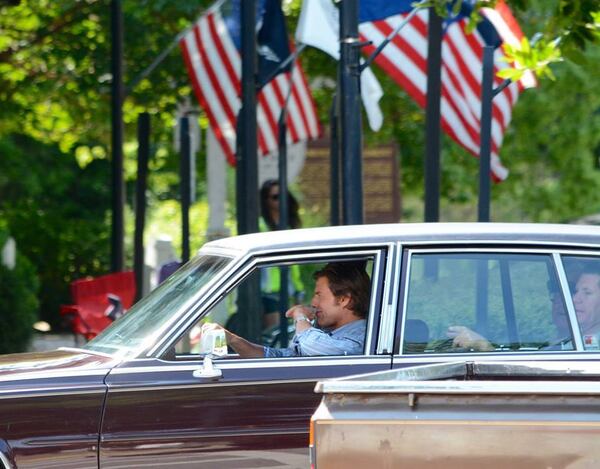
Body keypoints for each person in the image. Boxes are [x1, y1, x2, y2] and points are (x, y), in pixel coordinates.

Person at [201, 262, 371, 358]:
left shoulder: (363, 337)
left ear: (343, 299)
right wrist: (232, 339)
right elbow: (276, 357)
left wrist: (300, 317)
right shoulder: (330, 335)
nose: (313, 302)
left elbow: (312, 345)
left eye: (319, 295)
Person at [259, 179, 304, 330]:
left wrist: (298, 288)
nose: (280, 201)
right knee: (275, 334)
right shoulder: (260, 225)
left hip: (290, 289)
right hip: (269, 291)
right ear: (266, 200)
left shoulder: (290, 225)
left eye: (283, 196)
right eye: (275, 197)